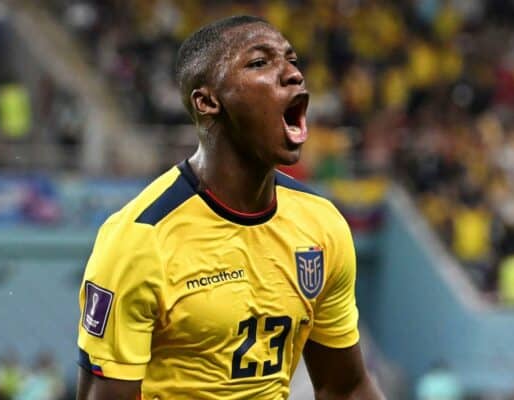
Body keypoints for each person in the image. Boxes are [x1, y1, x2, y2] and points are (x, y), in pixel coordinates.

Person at [76, 15, 385, 400]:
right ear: (207, 102)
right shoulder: (141, 240)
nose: (292, 74)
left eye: (292, 60)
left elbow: (346, 387)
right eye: (259, 63)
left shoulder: (321, 226)